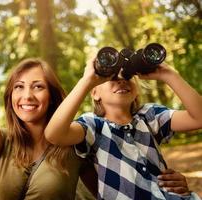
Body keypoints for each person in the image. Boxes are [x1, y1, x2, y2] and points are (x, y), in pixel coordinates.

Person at [0, 25, 192, 200]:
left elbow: (121, 174)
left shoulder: (75, 141)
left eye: (38, 87)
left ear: (51, 96)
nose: (27, 96)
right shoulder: (2, 144)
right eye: (19, 88)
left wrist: (165, 182)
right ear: (10, 96)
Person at [44, 55, 202, 200]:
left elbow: (198, 118)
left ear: (136, 90)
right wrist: (86, 81)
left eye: (127, 76)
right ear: (94, 92)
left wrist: (168, 74)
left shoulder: (150, 115)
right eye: (112, 78)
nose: (121, 80)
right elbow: (54, 134)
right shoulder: (93, 125)